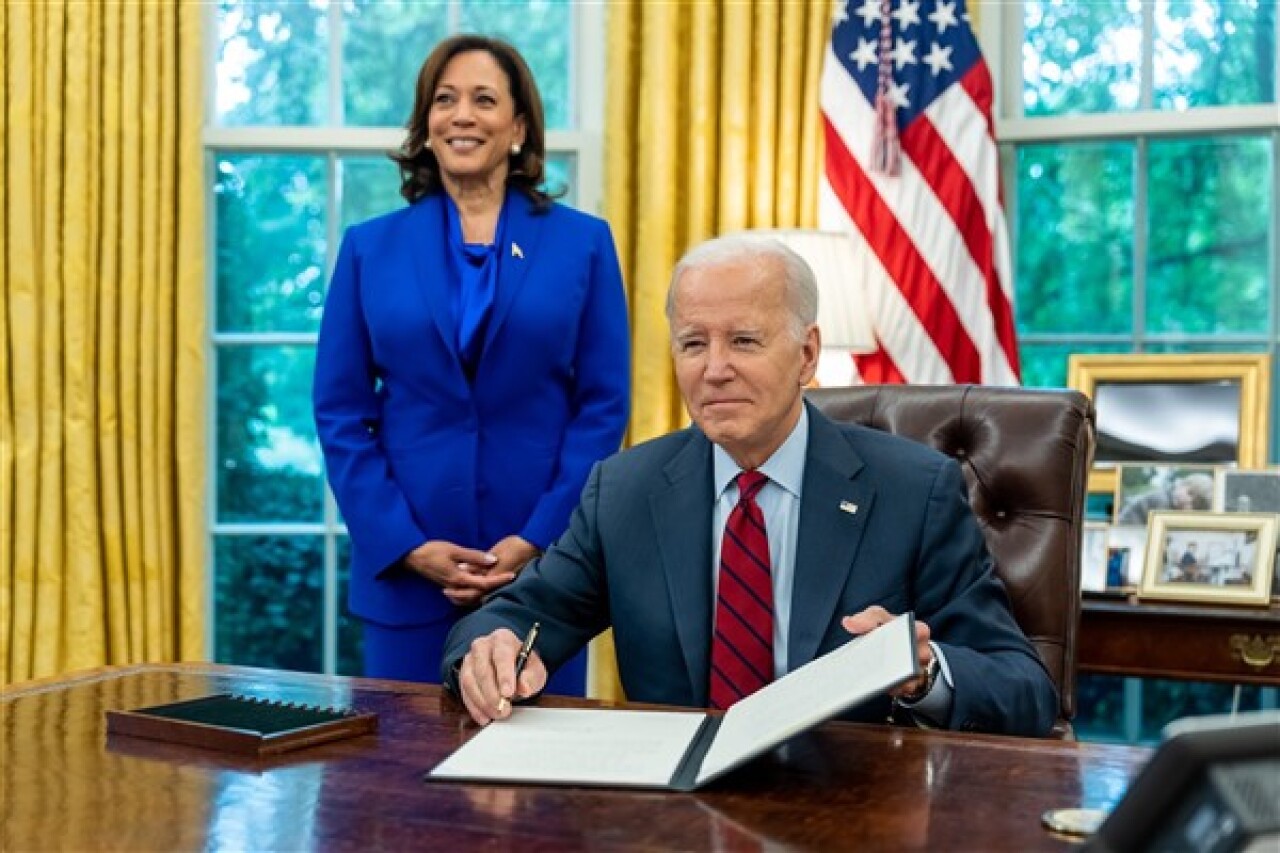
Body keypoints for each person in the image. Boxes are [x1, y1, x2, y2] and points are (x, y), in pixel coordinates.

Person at [442, 234, 1058, 737]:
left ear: (807, 355)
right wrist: (488, 650)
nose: (715, 369)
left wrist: (924, 673)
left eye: (743, 341)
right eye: (693, 344)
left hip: (850, 804)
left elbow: (1024, 687)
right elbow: (515, 616)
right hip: (675, 810)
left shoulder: (912, 491)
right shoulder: (625, 489)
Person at [313, 34, 630, 691]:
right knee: (404, 755)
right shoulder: (369, 248)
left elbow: (603, 407)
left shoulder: (584, 243)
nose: (462, 115)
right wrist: (405, 543)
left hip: (542, 574)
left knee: (537, 755)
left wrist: (539, 537)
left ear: (518, 128)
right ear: (426, 125)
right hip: (407, 577)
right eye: (445, 99)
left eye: (484, 100)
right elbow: (340, 411)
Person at [1116, 472, 1213, 525]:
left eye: (1193, 504)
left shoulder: (1173, 505)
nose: (1187, 500)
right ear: (1180, 485)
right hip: (1127, 524)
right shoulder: (1162, 500)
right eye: (1189, 493)